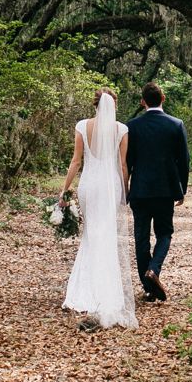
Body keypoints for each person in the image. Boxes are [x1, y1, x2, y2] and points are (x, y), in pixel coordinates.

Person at [58, 89, 136, 330]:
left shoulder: (82, 126)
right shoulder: (121, 129)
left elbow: (76, 161)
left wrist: (65, 189)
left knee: (91, 235)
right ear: (113, 106)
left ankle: (83, 289)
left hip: (89, 186)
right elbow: (123, 166)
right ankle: (106, 289)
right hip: (110, 186)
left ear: (95, 105)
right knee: (106, 235)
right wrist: (125, 192)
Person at [124, 82, 190, 302]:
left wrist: (126, 187)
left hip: (140, 191)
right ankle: (154, 270)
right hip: (164, 190)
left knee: (141, 238)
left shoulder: (131, 126)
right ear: (163, 98)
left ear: (143, 101)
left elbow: (127, 161)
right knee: (164, 233)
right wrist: (182, 188)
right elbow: (184, 160)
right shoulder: (176, 124)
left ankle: (148, 287)